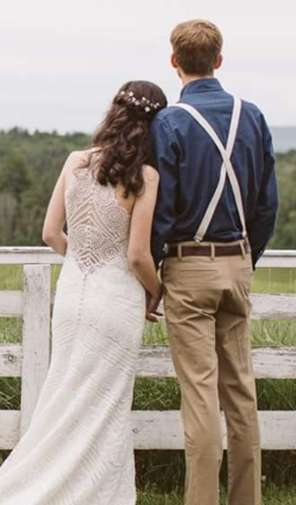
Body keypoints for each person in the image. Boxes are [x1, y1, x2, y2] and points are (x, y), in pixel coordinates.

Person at [0, 80, 167, 504]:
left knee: (63, 394)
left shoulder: (76, 161)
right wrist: (157, 292)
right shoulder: (144, 177)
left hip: (72, 296)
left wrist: (82, 259)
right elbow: (139, 255)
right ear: (154, 124)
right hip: (117, 300)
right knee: (104, 404)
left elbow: (51, 233)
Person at [149, 19, 278, 505]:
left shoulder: (170, 122)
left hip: (187, 265)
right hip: (238, 263)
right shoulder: (254, 116)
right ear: (219, 60)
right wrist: (247, 258)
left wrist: (154, 272)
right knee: (241, 392)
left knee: (200, 395)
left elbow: (163, 208)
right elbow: (267, 204)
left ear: (174, 61)